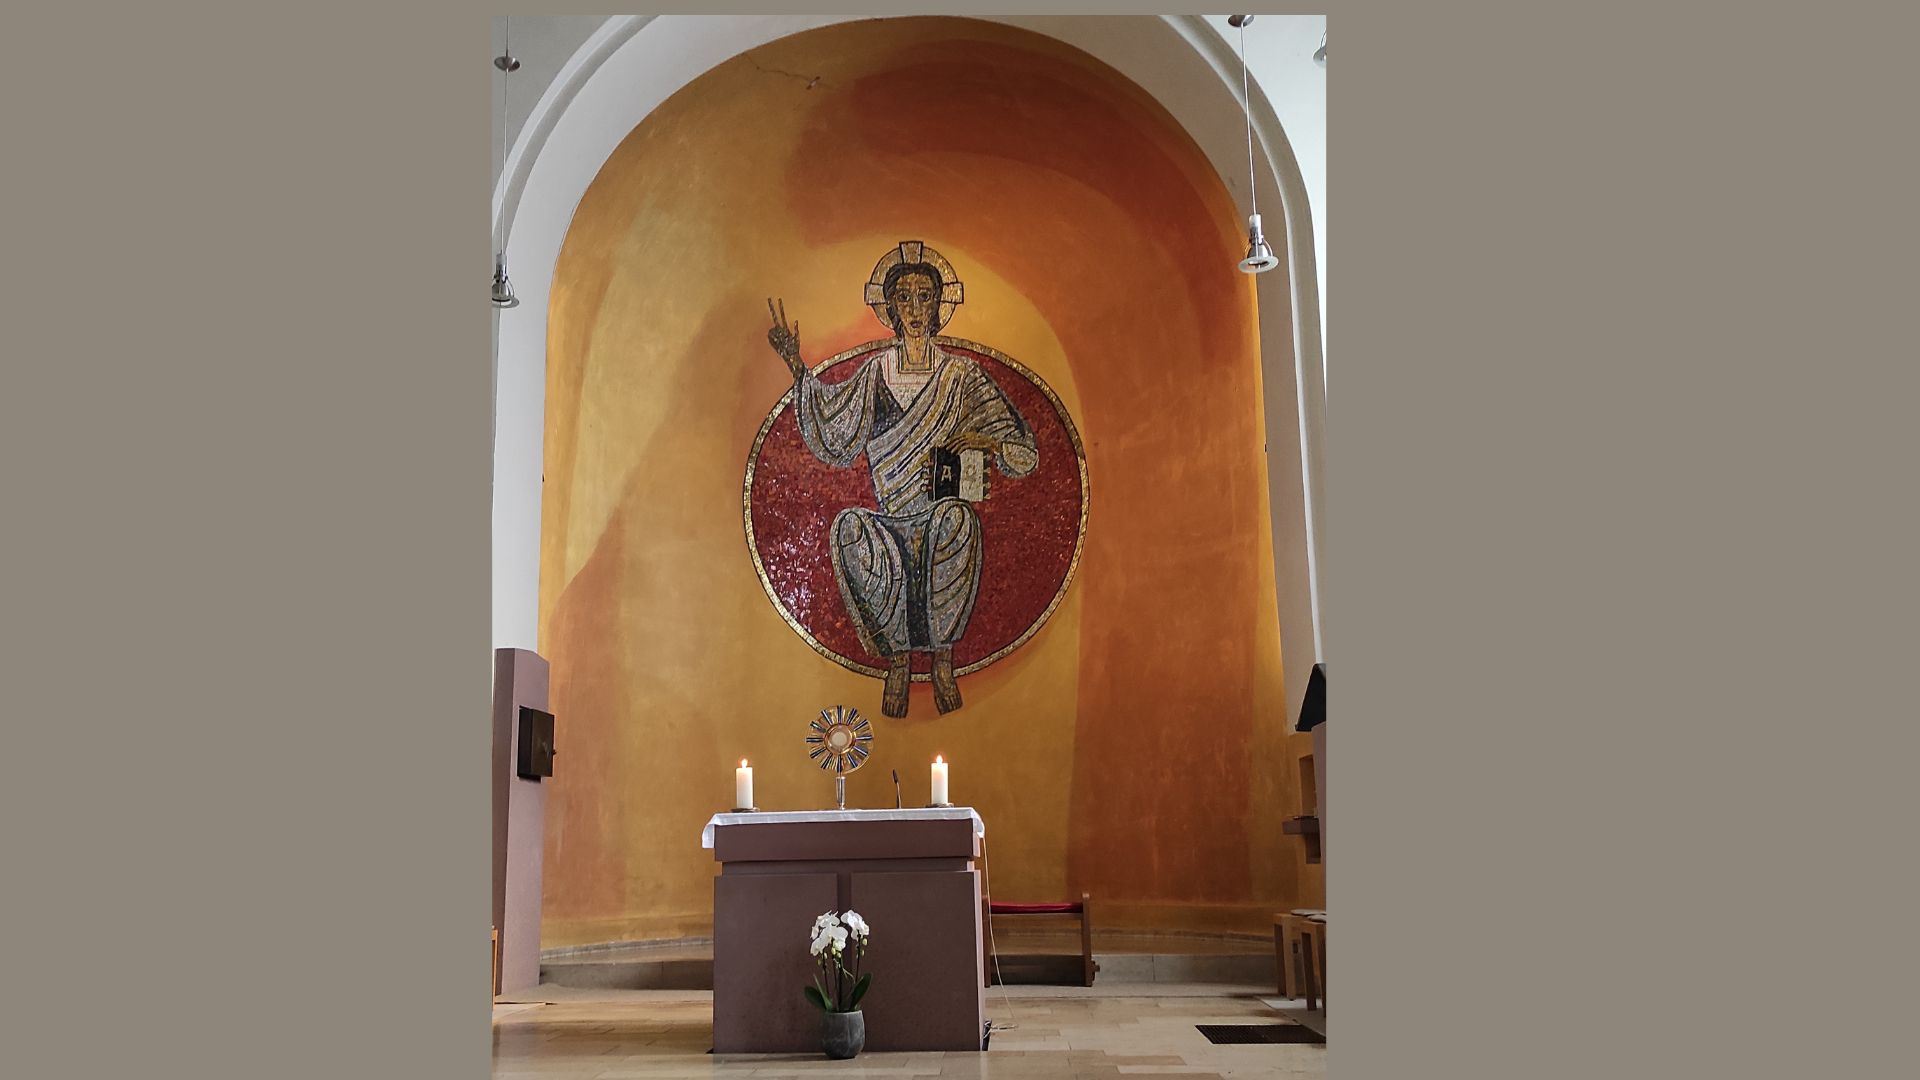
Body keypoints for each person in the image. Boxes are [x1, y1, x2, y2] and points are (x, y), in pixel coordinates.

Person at [767, 241, 1038, 717]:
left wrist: (984, 441)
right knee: (849, 528)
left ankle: (942, 659)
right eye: (905, 298)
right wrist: (795, 364)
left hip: (940, 518)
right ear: (891, 308)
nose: (915, 309)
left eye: (924, 297)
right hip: (889, 522)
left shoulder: (962, 378)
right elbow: (832, 429)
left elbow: (1024, 455)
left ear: (938, 306)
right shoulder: (876, 374)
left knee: (959, 520)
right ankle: (897, 660)